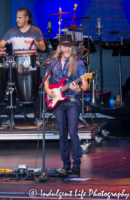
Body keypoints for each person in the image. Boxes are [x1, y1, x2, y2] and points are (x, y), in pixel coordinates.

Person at [44, 34, 88, 176]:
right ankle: (65, 165)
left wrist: (78, 89)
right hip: (57, 101)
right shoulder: (54, 62)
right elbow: (46, 78)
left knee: (73, 133)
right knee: (62, 134)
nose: (67, 49)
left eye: (69, 46)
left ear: (72, 47)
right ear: (60, 47)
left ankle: (76, 165)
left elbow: (85, 84)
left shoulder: (79, 63)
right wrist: (47, 90)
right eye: (64, 46)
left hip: (72, 101)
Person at [0, 7, 46, 125]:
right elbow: (1, 43)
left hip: (31, 66)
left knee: (37, 90)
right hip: (16, 66)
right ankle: (11, 118)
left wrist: (34, 43)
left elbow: (43, 47)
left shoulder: (35, 31)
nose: (17, 20)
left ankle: (37, 117)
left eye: (20, 17)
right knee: (12, 89)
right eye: (16, 17)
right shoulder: (11, 32)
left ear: (27, 18)